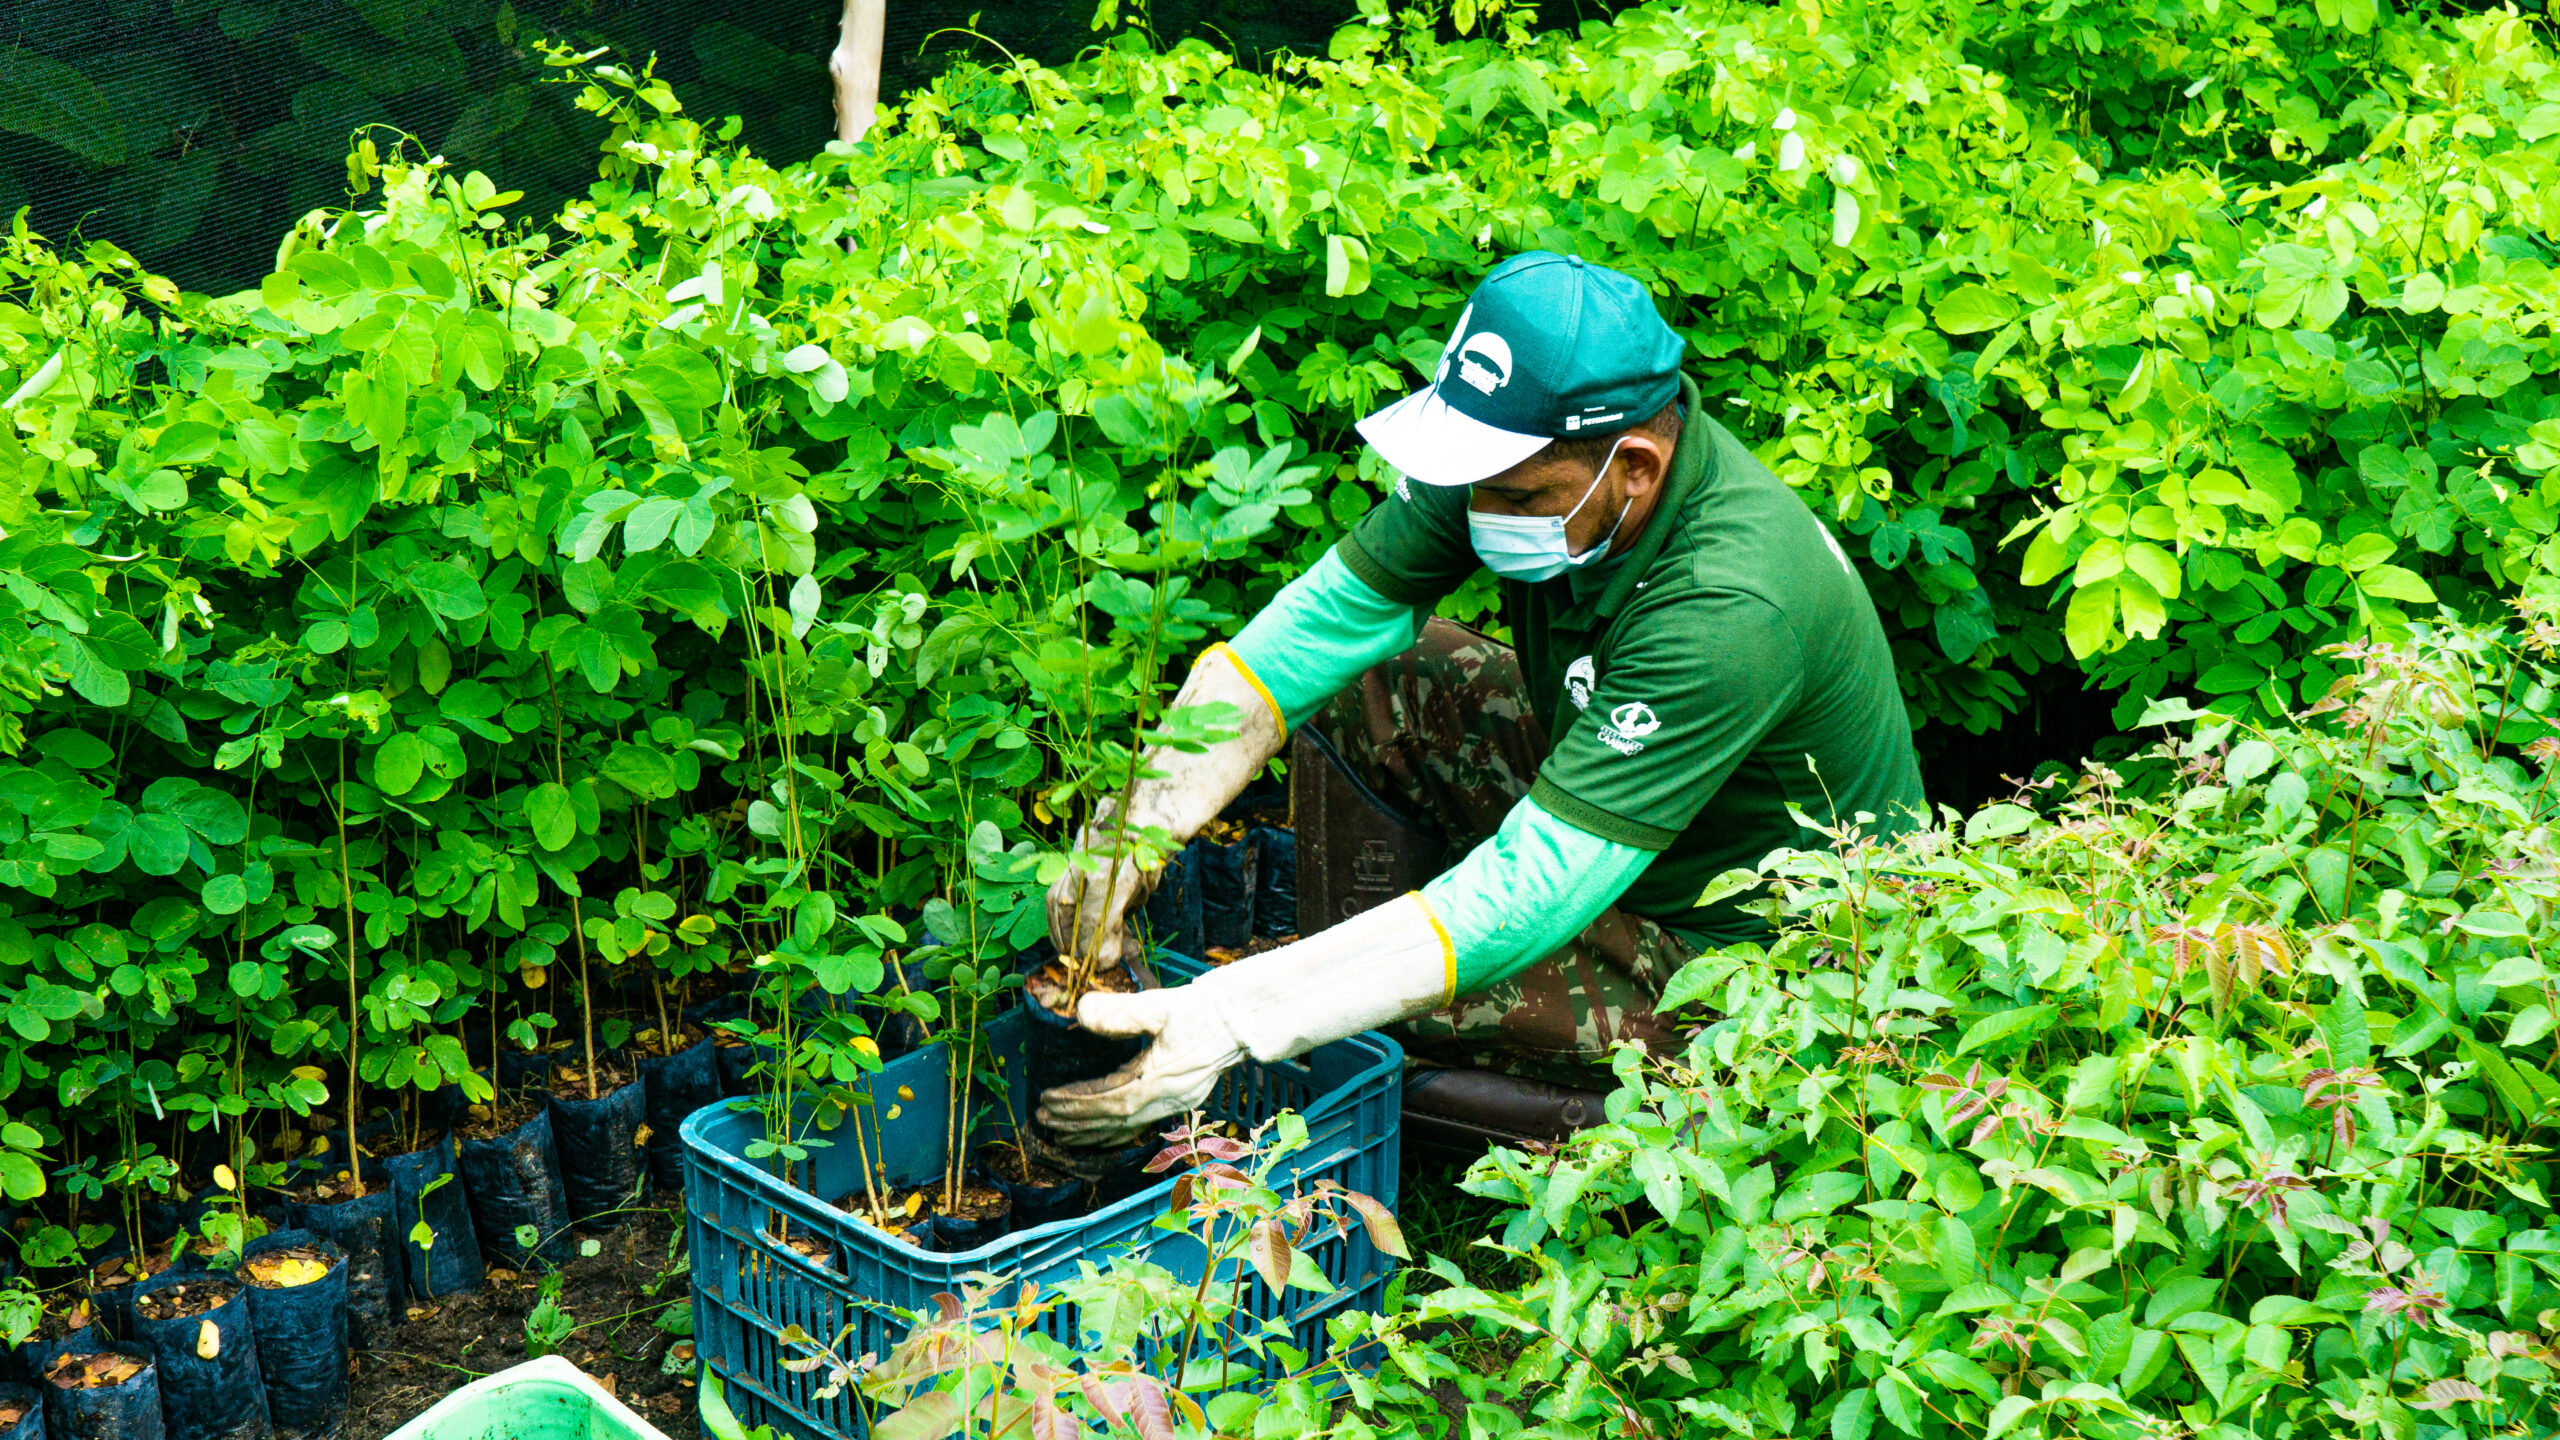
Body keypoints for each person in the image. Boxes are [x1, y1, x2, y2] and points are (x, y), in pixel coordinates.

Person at [1036, 251, 1926, 1149]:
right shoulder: (1515, 455)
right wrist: (1137, 824)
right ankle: (1356, 973)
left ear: (1637, 470)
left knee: (1359, 1012)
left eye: (1513, 495)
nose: (1479, 507)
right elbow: (1320, 629)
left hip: (1755, 957)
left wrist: (1240, 1014)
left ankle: (1612, 1117)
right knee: (1389, 673)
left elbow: (1530, 890)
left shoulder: (1731, 611)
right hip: (1634, 814)